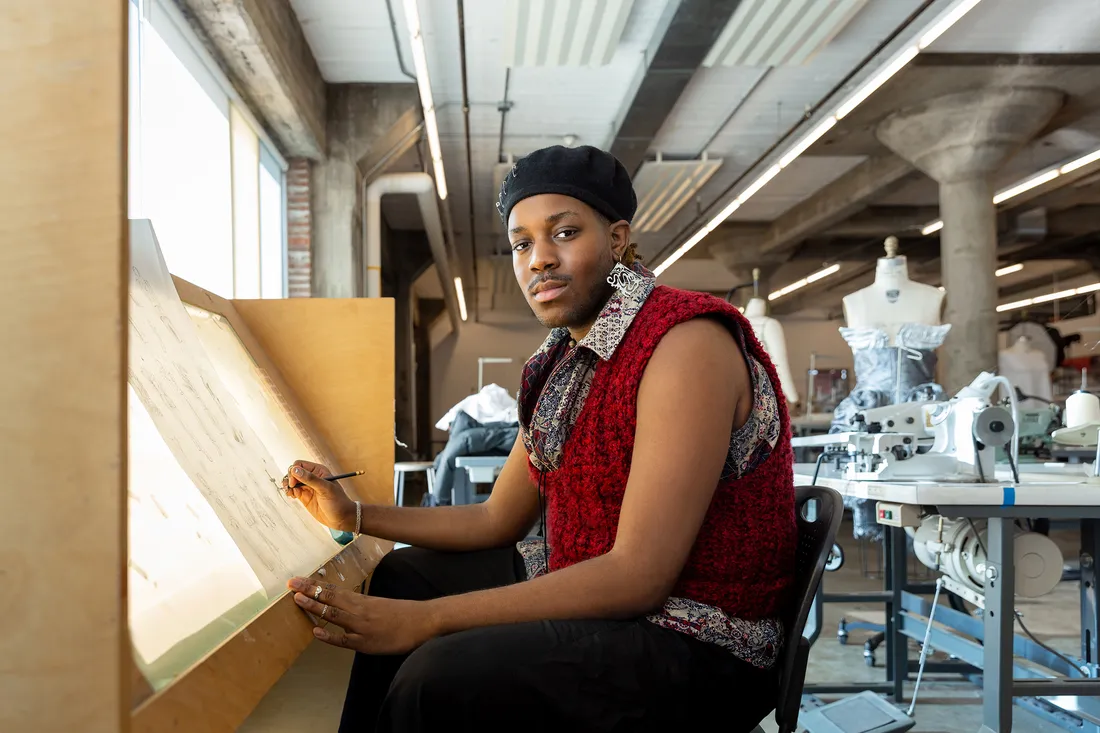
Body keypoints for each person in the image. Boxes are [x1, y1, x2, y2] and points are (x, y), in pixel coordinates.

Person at [281, 145, 797, 732]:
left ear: (618, 238)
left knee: (437, 674)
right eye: (522, 244)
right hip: (596, 595)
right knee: (403, 577)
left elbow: (637, 576)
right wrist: (353, 512)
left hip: (698, 641)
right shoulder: (558, 363)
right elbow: (494, 521)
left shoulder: (685, 343)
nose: (540, 259)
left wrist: (428, 622)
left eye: (565, 232)